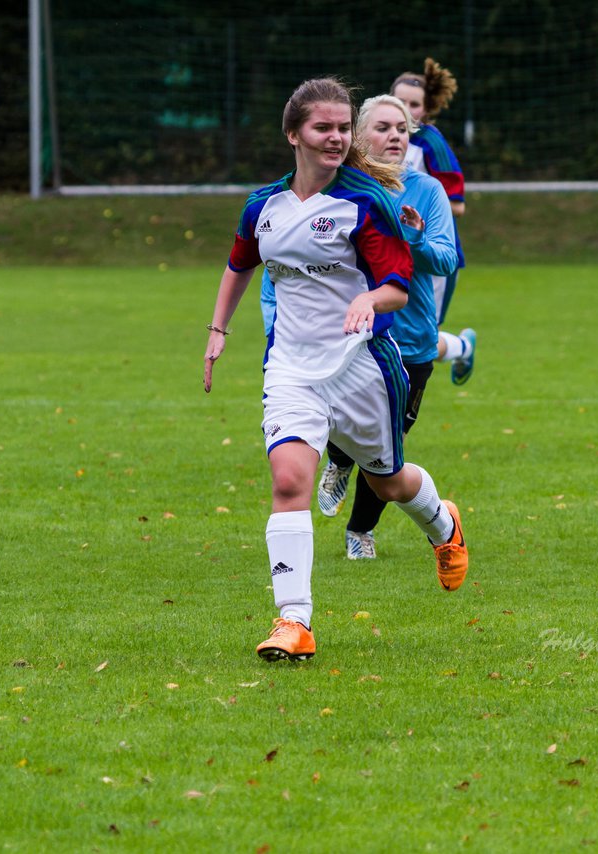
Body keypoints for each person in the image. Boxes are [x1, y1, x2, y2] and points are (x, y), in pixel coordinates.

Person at [204, 78, 470, 663]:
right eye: (323, 127)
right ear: (293, 133)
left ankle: (442, 522)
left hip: (362, 368)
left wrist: (368, 301)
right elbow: (238, 263)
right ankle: (293, 622)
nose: (336, 137)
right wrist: (218, 329)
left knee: (387, 482)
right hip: (292, 369)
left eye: (343, 128)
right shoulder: (263, 206)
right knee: (290, 482)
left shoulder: (365, 201)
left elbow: (400, 287)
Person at [307, 94, 460, 561]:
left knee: (388, 445)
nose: (395, 137)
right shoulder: (338, 187)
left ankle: (360, 530)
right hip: (348, 337)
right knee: (338, 419)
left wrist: (413, 239)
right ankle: (337, 459)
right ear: (358, 135)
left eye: (403, 130)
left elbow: (447, 258)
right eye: (384, 127)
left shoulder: (427, 191)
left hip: (410, 339)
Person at [391, 58, 477, 386]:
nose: (406, 110)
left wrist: (417, 211)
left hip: (429, 253)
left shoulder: (430, 142)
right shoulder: (378, 140)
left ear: (426, 110)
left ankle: (463, 347)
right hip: (394, 250)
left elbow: (457, 205)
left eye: (414, 105)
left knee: (420, 339)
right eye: (400, 102)